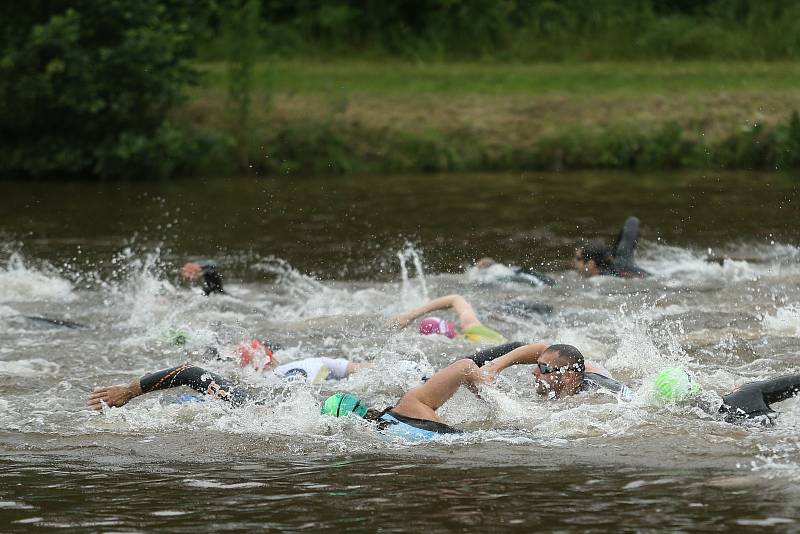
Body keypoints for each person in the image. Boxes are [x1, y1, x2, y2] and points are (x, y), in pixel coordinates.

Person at [322, 342, 630, 439]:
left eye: (544, 369)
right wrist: (491, 383)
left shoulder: (403, 412)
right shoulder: (404, 410)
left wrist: (493, 372)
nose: (535, 372)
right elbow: (463, 367)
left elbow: (464, 366)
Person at [86, 339, 373, 410]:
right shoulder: (247, 396)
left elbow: (371, 371)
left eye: (256, 350)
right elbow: (190, 373)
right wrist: (130, 389)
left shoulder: (315, 363)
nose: (252, 355)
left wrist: (130, 390)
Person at [387, 294, 507, 344]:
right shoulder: (474, 329)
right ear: (450, 326)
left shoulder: (458, 357)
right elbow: (455, 298)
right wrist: (411, 315)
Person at [574, 216, 649, 278]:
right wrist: (616, 247)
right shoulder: (623, 256)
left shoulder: (604, 279)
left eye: (578, 259)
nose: (574, 262)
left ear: (590, 264)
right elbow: (632, 221)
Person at [470, 257, 557, 288]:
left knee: (532, 281)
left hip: (516, 275)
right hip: (518, 272)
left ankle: (541, 285)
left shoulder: (495, 271)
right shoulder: (500, 268)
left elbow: (510, 277)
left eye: (480, 265)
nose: (478, 267)